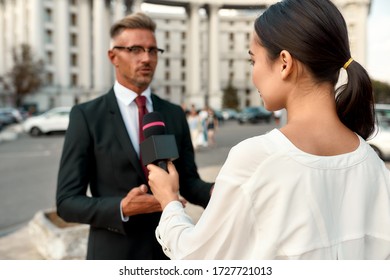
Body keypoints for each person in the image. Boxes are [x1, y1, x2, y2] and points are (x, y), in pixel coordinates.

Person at [147, 0, 390, 259]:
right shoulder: (374, 166)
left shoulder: (257, 159)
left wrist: (169, 200)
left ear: (284, 62)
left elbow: (194, 260)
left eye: (253, 61)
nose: (253, 74)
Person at [56, 12, 213, 260]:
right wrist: (121, 207)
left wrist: (218, 192)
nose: (146, 58)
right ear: (113, 56)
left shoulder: (172, 113)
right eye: (136, 49)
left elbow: (189, 182)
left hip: (167, 251)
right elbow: (66, 202)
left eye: (153, 51)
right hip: (113, 252)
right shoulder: (86, 116)